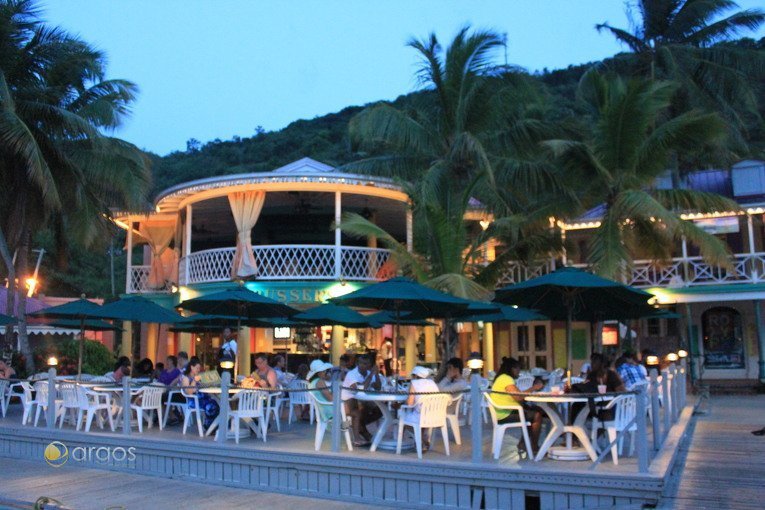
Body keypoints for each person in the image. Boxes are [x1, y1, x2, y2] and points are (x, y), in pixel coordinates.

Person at [491, 357, 545, 457]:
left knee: (536, 411)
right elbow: (518, 397)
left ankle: (523, 444)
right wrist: (534, 388)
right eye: (518, 368)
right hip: (505, 414)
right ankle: (534, 447)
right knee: (536, 416)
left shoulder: (501, 378)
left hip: (504, 411)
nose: (519, 371)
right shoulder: (506, 379)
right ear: (512, 369)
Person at [342, 354, 383, 446]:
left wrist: (376, 375)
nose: (365, 366)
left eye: (367, 364)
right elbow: (360, 389)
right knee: (358, 411)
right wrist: (371, 374)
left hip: (361, 401)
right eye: (363, 363)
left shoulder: (369, 373)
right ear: (358, 363)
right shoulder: (351, 374)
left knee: (378, 411)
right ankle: (357, 438)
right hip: (347, 402)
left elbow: (378, 388)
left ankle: (361, 427)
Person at [404, 366, 439, 452]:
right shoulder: (432, 383)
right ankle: (422, 440)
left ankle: (421, 439)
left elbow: (410, 403)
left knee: (402, 420)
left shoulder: (414, 383)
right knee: (418, 414)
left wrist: (401, 404)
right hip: (436, 415)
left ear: (415, 376)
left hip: (421, 416)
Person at [180, 357, 219, 429]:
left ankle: (213, 426)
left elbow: (202, 387)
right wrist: (194, 380)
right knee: (211, 406)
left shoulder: (198, 377)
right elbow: (189, 392)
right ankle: (209, 426)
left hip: (204, 399)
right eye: (197, 368)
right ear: (192, 367)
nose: (198, 370)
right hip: (194, 401)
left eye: (199, 368)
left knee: (217, 404)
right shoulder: (186, 378)